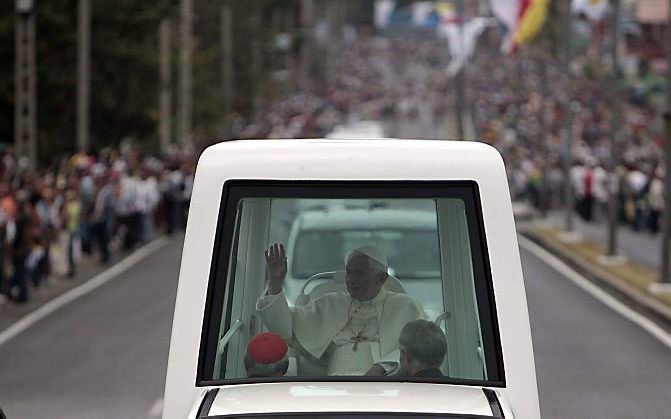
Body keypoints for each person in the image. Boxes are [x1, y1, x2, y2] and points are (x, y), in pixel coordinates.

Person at [257, 243, 425, 376]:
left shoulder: (405, 306)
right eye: (349, 272)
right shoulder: (331, 303)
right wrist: (275, 283)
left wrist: (382, 366)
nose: (351, 280)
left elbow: (423, 347)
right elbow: (285, 328)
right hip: (336, 382)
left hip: (389, 386)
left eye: (359, 273)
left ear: (381, 278)